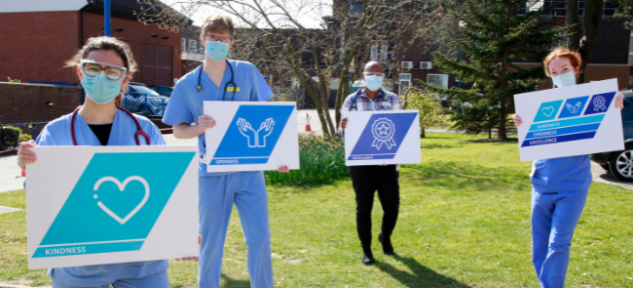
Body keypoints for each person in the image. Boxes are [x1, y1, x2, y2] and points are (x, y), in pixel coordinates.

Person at [16, 37, 172, 288]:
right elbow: (40, 197)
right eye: (93, 68)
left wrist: (182, 229)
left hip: (142, 260)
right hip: (79, 260)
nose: (102, 77)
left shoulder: (144, 130)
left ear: (125, 80)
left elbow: (167, 189)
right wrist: (30, 170)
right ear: (80, 72)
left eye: (112, 71)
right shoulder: (56, 132)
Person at [162, 15, 288, 288]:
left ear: (232, 41)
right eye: (213, 37)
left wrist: (280, 157)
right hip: (211, 173)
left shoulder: (247, 72)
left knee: (260, 237)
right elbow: (178, 130)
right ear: (202, 38)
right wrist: (198, 127)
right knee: (210, 241)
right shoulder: (186, 83)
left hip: (248, 172)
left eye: (224, 39)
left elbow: (268, 116)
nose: (218, 43)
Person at [513, 47, 624, 288]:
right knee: (540, 243)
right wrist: (520, 122)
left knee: (558, 243)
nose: (560, 74)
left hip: (572, 185)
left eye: (564, 69)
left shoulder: (596, 100)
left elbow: (609, 125)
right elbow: (531, 137)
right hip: (542, 181)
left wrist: (617, 102)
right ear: (549, 75)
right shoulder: (540, 105)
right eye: (554, 72)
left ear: (576, 69)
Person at [339, 61, 401, 265]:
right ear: (363, 76)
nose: (374, 78)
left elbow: (400, 129)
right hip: (361, 165)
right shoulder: (352, 100)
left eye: (379, 74)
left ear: (383, 77)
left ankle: (386, 237)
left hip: (387, 164)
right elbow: (342, 134)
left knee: (391, 206)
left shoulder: (392, 99)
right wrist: (344, 128)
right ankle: (366, 249)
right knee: (363, 208)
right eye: (370, 74)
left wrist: (389, 156)